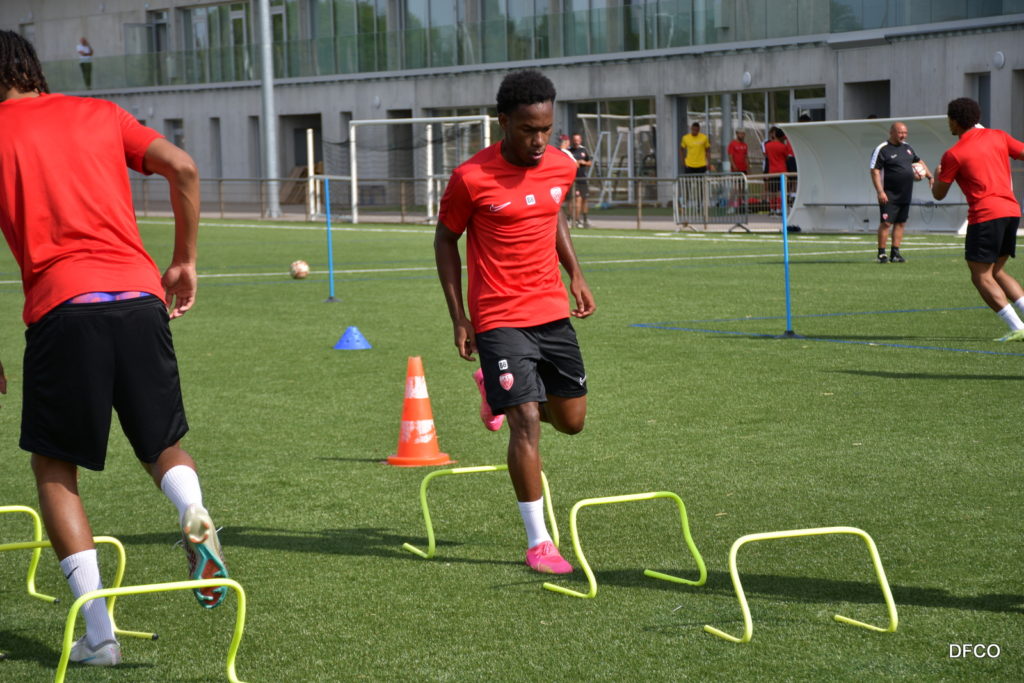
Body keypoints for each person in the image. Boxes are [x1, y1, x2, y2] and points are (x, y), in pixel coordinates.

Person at [0, 31, 228, 667]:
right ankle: (192, 509)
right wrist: (184, 260)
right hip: (139, 298)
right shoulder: (100, 112)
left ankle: (99, 634)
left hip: (63, 308)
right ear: (32, 68)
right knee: (162, 445)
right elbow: (183, 167)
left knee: (55, 467)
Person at [434, 69, 596, 575]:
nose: (539, 140)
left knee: (571, 422)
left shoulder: (561, 166)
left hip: (551, 312)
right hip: (498, 316)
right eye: (529, 130)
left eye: (546, 129)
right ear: (504, 122)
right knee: (525, 421)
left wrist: (575, 273)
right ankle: (538, 542)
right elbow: (445, 240)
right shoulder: (470, 178)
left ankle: (495, 391)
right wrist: (459, 317)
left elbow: (553, 214)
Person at [932, 97, 1024, 341]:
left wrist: (936, 176)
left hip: (985, 215)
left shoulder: (953, 154)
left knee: (980, 275)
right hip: (1011, 211)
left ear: (954, 121)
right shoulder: (999, 136)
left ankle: (1018, 327)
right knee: (997, 271)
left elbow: (939, 194)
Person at [870, 122, 931, 263]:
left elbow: (919, 162)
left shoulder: (908, 148)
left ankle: (895, 253)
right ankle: (881, 254)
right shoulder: (882, 149)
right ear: (891, 132)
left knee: (901, 223)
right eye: (900, 132)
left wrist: (930, 176)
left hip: (905, 193)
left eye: (905, 133)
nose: (903, 135)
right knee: (886, 223)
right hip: (888, 194)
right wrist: (880, 191)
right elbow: (874, 171)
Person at [763, 127, 791, 213]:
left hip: (772, 170)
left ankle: (772, 208)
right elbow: (787, 157)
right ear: (782, 137)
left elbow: (767, 156)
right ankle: (779, 208)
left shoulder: (768, 146)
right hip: (782, 170)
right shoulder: (783, 147)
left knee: (772, 191)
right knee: (780, 190)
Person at [569, 133, 593, 228]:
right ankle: (576, 219)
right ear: (572, 140)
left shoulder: (584, 150)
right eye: (575, 140)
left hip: (583, 179)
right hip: (574, 179)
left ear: (580, 140)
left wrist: (584, 162)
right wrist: (574, 163)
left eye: (578, 140)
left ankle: (585, 219)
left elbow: (590, 162)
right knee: (576, 199)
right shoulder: (569, 151)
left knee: (584, 199)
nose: (576, 142)